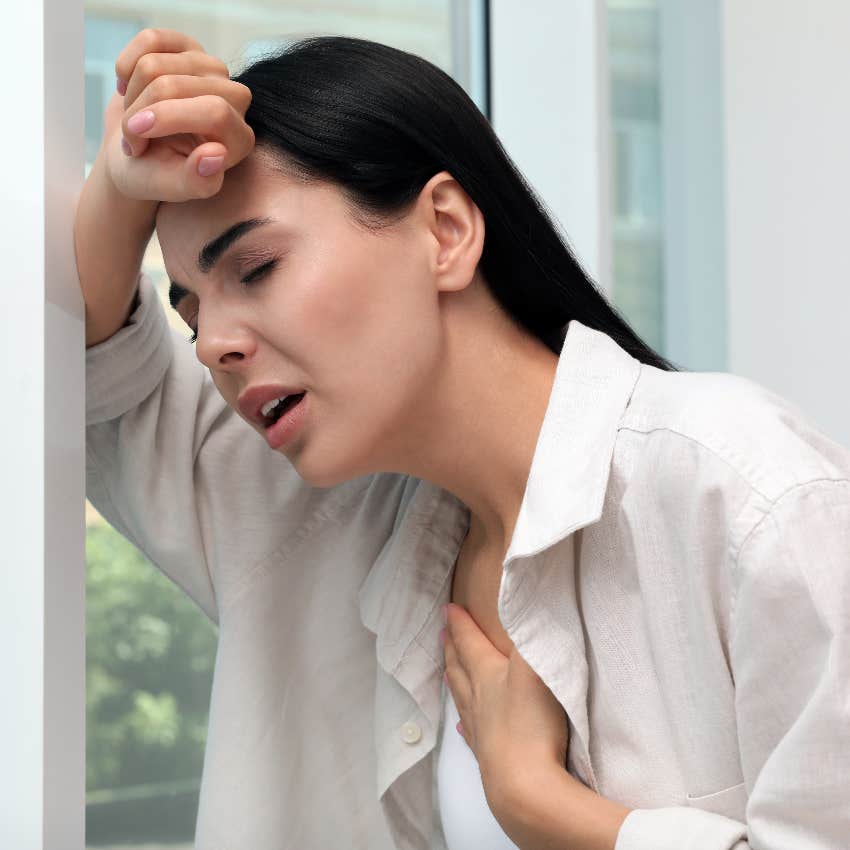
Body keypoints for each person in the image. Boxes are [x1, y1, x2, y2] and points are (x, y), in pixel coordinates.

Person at [77, 27, 850, 850]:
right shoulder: (307, 527)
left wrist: (550, 812)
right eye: (188, 311)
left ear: (445, 230)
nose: (212, 345)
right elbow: (82, 380)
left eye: (257, 269)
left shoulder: (745, 496)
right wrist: (121, 182)